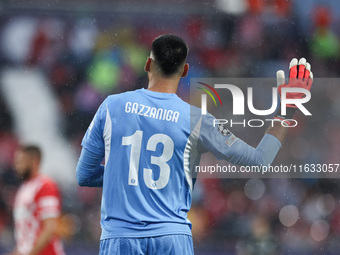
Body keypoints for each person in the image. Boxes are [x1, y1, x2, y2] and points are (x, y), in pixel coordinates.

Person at [76, 34, 313, 254]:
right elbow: (259, 160)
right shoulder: (197, 120)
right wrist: (286, 111)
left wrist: (129, 175)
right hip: (171, 239)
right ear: (185, 70)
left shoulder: (112, 106)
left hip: (120, 238)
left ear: (148, 64)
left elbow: (85, 175)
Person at [10, 145, 65, 255]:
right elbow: (25, 238)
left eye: (21, 161)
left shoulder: (45, 185)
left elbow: (50, 227)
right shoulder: (23, 188)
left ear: (34, 161)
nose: (16, 166)